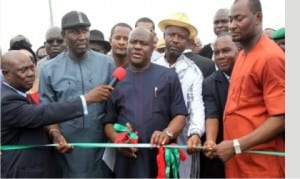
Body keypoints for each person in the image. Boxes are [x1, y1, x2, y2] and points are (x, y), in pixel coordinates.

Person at [1, 50, 113, 178]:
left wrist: (54, 134)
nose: (31, 74)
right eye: (23, 71)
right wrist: (86, 99)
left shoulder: (20, 94)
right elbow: (43, 113)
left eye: (32, 68)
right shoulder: (6, 101)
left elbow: (33, 123)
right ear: (6, 74)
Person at [39, 10, 115, 177]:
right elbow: (47, 110)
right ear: (64, 35)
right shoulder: (49, 69)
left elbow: (115, 106)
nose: (82, 37)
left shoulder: (108, 64)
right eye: (75, 32)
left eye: (85, 31)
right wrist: (56, 134)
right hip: (67, 147)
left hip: (100, 145)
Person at [103, 27, 187, 178]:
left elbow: (180, 115)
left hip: (159, 159)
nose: (137, 46)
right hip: (128, 161)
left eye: (143, 43)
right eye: (133, 42)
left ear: (153, 48)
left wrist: (167, 133)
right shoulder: (116, 79)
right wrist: (118, 140)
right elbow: (108, 122)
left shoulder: (168, 77)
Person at [215, 0, 285, 177]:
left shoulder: (270, 57)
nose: (232, 25)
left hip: (262, 164)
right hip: (240, 162)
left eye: (238, 19)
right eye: (230, 20)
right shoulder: (242, 55)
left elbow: (281, 117)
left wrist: (237, 145)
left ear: (258, 18)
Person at [153, 12, 205, 178]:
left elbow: (197, 106)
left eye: (181, 37)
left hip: (183, 138)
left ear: (188, 42)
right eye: (171, 35)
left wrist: (196, 133)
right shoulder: (151, 66)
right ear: (164, 36)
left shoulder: (193, 71)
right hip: (152, 134)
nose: (175, 40)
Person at [200, 33, 238, 178]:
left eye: (226, 50)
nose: (220, 56)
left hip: (251, 148)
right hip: (222, 151)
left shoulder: (251, 75)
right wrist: (210, 140)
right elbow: (211, 114)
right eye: (216, 53)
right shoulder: (209, 83)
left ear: (238, 50)